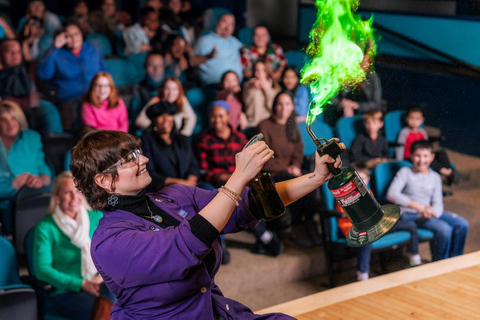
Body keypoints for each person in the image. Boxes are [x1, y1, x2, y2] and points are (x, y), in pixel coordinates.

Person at [69, 126, 343, 319]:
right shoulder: (109, 241)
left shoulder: (172, 195)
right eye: (129, 159)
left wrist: (316, 177)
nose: (144, 159)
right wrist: (238, 178)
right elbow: (185, 245)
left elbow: (246, 204)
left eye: (138, 151)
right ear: (103, 180)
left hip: (214, 311)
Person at [197, 101, 283, 258]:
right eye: (214, 116)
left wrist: (240, 177)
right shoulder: (204, 140)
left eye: (221, 116)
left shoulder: (240, 138)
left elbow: (250, 162)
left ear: (228, 117)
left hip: (241, 180)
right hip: (215, 184)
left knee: (252, 197)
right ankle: (220, 243)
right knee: (218, 199)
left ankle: (263, 236)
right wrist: (221, 177)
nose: (217, 120)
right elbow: (203, 171)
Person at [34, 171, 115, 320]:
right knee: (107, 311)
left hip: (101, 282)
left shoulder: (96, 217)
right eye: (67, 192)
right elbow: (42, 270)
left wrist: (101, 276)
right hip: (67, 292)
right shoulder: (45, 228)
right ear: (57, 197)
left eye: (78, 191)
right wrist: (81, 284)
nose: (74, 198)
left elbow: (112, 253)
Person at [256, 91, 321, 248]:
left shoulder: (292, 125)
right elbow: (263, 158)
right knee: (295, 184)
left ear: (292, 106)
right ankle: (297, 226)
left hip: (291, 171)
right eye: (279, 104)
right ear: (274, 106)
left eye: (287, 104)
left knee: (311, 181)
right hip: (271, 173)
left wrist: (296, 166)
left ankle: (309, 223)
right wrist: (288, 168)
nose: (283, 108)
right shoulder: (264, 125)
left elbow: (299, 150)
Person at [336, 162, 421, 281]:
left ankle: (415, 260)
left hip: (375, 226)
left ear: (368, 180)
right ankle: (362, 274)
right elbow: (347, 217)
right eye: (355, 180)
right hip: (354, 229)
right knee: (366, 237)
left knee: (409, 225)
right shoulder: (345, 196)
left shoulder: (368, 192)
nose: (359, 182)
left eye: (362, 179)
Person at [387, 140, 469, 261]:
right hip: (409, 214)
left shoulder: (435, 176)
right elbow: (392, 194)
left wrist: (433, 212)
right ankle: (440, 263)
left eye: (425, 156)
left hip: (428, 212)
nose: (421, 160)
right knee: (444, 230)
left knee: (462, 224)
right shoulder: (405, 172)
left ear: (431, 157)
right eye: (417, 156)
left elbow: (438, 202)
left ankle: (454, 261)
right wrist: (418, 207)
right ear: (411, 156)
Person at [37, 20, 108, 131]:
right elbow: (44, 74)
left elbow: (104, 72)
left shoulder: (92, 49)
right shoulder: (56, 53)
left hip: (95, 98)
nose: (74, 38)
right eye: (69, 36)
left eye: (77, 34)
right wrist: (55, 48)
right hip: (69, 100)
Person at [0, 101, 51, 233]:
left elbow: (42, 167)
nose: (10, 123)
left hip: (31, 194)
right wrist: (13, 184)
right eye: (3, 120)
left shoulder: (32, 137)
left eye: (13, 118)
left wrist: (42, 180)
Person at [141, 101, 199, 191]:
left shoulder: (183, 139)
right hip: (163, 189)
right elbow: (150, 172)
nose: (166, 119)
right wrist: (180, 183)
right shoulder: (146, 141)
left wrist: (190, 181)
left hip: (190, 186)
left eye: (169, 114)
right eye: (160, 116)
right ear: (154, 120)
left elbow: (194, 165)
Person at [396, 105, 459, 186]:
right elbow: (399, 147)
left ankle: (449, 171)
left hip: (423, 154)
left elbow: (427, 146)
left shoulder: (422, 132)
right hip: (411, 157)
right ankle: (444, 172)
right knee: (429, 159)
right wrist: (399, 161)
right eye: (411, 118)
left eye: (417, 119)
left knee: (440, 152)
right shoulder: (404, 132)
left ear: (422, 120)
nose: (414, 121)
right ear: (407, 119)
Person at [325, 52, 382, 126]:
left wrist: (356, 105)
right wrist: (343, 105)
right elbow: (331, 99)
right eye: (359, 60)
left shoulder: (373, 78)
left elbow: (376, 104)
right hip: (342, 114)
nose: (362, 63)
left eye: (365, 60)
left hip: (367, 116)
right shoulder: (342, 76)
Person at [194, 13, 241, 85]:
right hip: (214, 85)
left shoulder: (236, 42)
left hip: (236, 86)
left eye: (231, 24)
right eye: (225, 22)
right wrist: (208, 56)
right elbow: (192, 62)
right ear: (217, 23)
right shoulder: (204, 40)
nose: (227, 27)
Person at [130, 51, 165, 129]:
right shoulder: (137, 89)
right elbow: (136, 121)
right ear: (145, 67)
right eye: (151, 65)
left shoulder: (170, 87)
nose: (156, 69)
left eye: (160, 65)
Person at [243, 59, 281, 127]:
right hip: (252, 123)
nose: (260, 73)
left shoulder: (276, 89)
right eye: (257, 70)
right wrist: (252, 83)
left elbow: (274, 108)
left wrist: (267, 90)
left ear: (268, 72)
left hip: (268, 125)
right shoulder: (248, 86)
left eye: (263, 70)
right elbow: (246, 99)